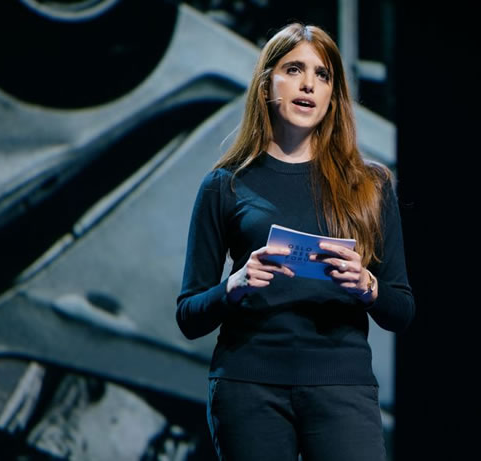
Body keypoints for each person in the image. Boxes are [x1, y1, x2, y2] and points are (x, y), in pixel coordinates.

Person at [176, 22, 415, 461]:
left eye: (322, 75)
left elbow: (401, 310)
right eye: (294, 69)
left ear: (332, 95)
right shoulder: (225, 185)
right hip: (249, 387)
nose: (308, 84)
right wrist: (235, 285)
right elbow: (189, 314)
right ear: (267, 84)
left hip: (342, 387)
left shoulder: (370, 185)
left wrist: (369, 288)